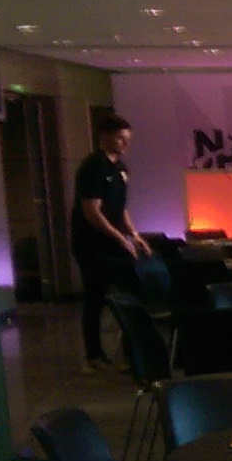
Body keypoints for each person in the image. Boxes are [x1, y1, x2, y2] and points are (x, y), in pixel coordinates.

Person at [72, 115, 145, 371]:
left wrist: (134, 236)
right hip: (91, 242)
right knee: (96, 296)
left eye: (127, 139)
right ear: (104, 136)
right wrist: (119, 238)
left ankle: (130, 351)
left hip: (113, 239)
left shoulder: (120, 168)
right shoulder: (93, 167)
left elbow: (120, 209)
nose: (125, 143)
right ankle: (94, 355)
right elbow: (92, 212)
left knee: (133, 290)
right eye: (120, 138)